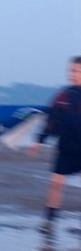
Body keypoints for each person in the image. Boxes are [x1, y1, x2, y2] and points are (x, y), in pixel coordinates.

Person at [29, 55, 81, 233]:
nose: (73, 74)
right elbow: (51, 121)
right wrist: (39, 141)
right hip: (66, 147)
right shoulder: (63, 96)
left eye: (77, 71)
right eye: (71, 70)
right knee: (56, 184)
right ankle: (49, 222)